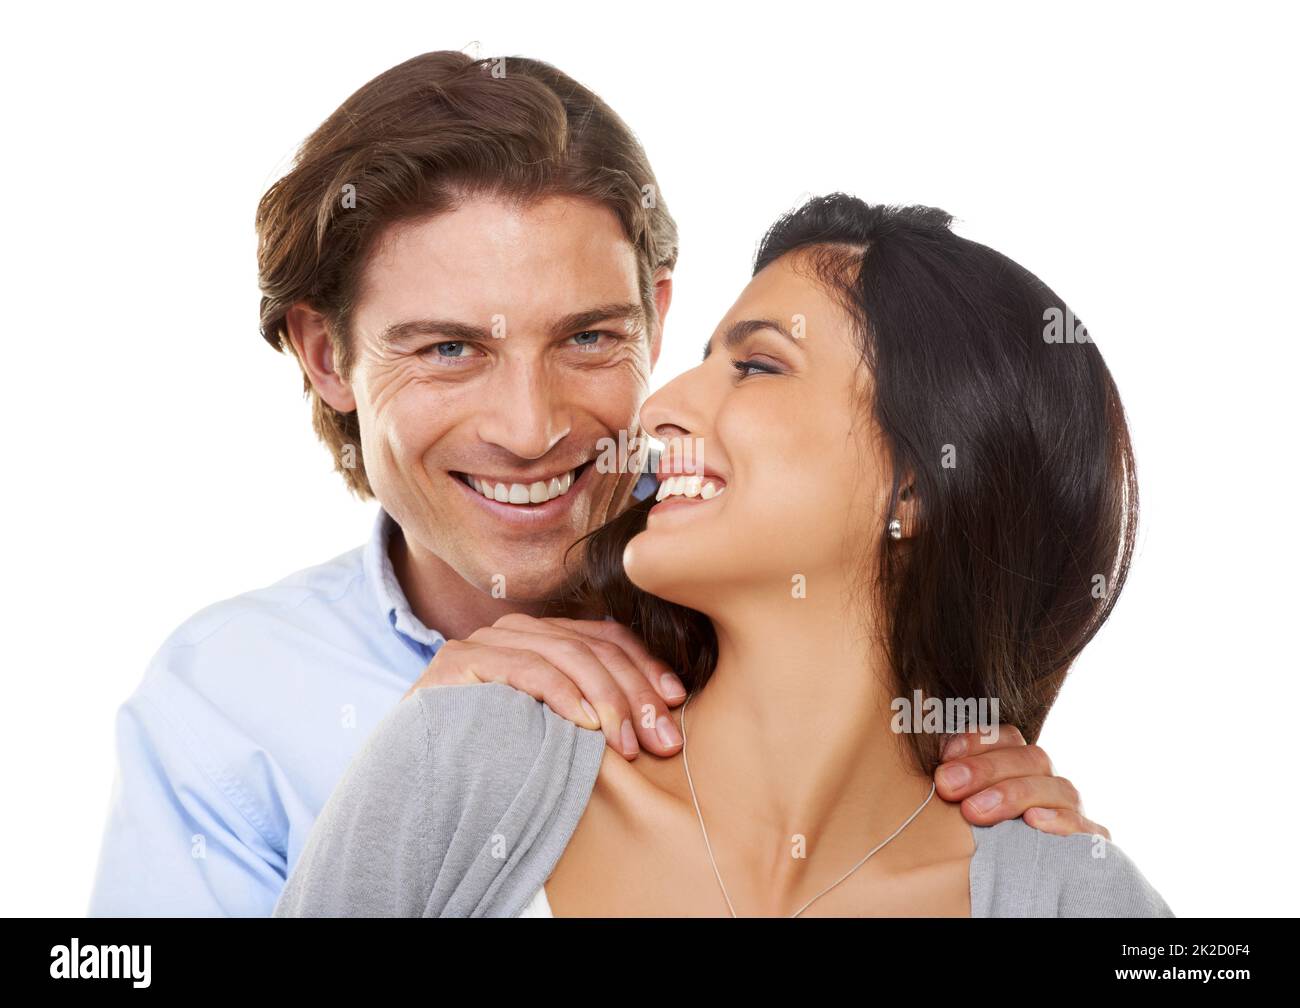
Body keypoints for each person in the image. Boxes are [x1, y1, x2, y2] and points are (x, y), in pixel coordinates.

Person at [89, 53, 1106, 917]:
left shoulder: (782, 596)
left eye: (588, 337)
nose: (530, 429)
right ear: (323, 356)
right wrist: (421, 760)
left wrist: (992, 821)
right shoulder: (222, 701)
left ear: (654, 317)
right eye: (447, 349)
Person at [274, 196, 1172, 918]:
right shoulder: (467, 755)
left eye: (758, 367)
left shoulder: (1070, 896)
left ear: (919, 482)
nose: (657, 408)